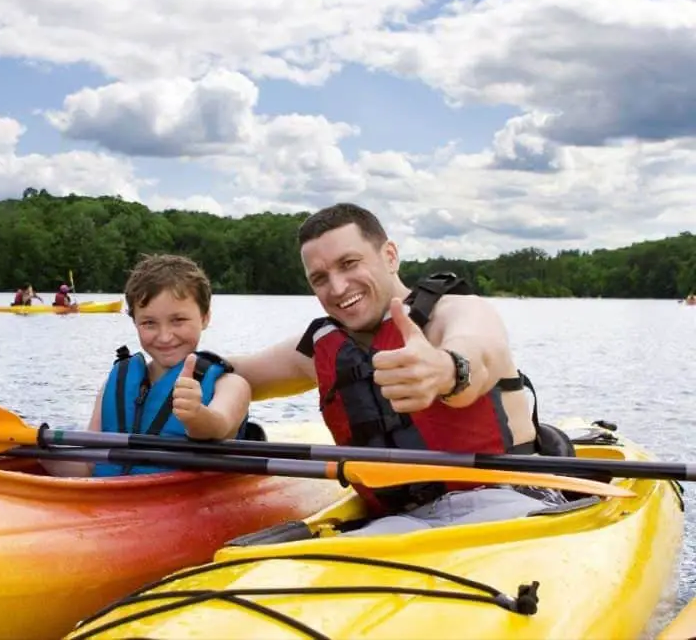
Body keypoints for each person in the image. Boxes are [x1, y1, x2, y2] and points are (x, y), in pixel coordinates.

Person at [227, 202, 572, 536]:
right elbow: (239, 372)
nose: (337, 287)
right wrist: (180, 351)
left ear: (390, 256)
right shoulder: (321, 348)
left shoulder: (456, 312)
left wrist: (445, 370)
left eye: (349, 263)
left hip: (507, 504)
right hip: (400, 523)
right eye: (320, 278)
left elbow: (478, 355)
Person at [42, 254, 255, 477]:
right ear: (135, 322)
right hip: (110, 500)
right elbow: (87, 466)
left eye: (178, 320)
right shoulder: (116, 382)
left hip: (187, 502)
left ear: (205, 317)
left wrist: (197, 415)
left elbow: (220, 426)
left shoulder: (232, 386)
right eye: (149, 323)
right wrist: (39, 452)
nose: (164, 337)